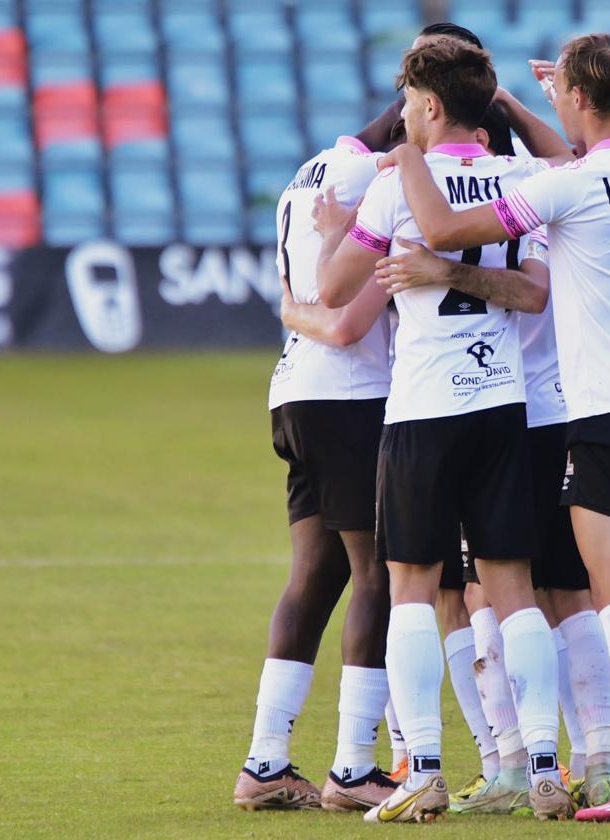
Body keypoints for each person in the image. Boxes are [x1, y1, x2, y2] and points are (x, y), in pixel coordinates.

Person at [376, 33, 610, 823]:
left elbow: (452, 230)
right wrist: (531, 104)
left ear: (579, 101)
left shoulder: (571, 186)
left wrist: (415, 151)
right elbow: (575, 156)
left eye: (563, 91)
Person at [313, 38, 577, 823]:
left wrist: (342, 226)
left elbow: (331, 290)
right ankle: (542, 766)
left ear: (428, 107)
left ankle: (422, 768)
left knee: (412, 591)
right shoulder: (522, 180)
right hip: (501, 408)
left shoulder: (400, 190)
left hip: (424, 411)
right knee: (513, 590)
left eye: (405, 101)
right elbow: (532, 296)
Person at [373, 92, 610, 814]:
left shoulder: (506, 188)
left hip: (493, 401)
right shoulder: (544, 183)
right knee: (547, 588)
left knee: (483, 588)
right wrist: (512, 100)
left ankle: (514, 761)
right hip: (542, 404)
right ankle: (583, 759)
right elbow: (571, 156)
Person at [232, 133, 398, 813]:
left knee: (315, 576)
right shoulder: (381, 176)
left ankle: (265, 762)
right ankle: (356, 767)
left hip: (294, 390)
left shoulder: (307, 174)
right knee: (379, 575)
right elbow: (348, 317)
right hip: (351, 395)